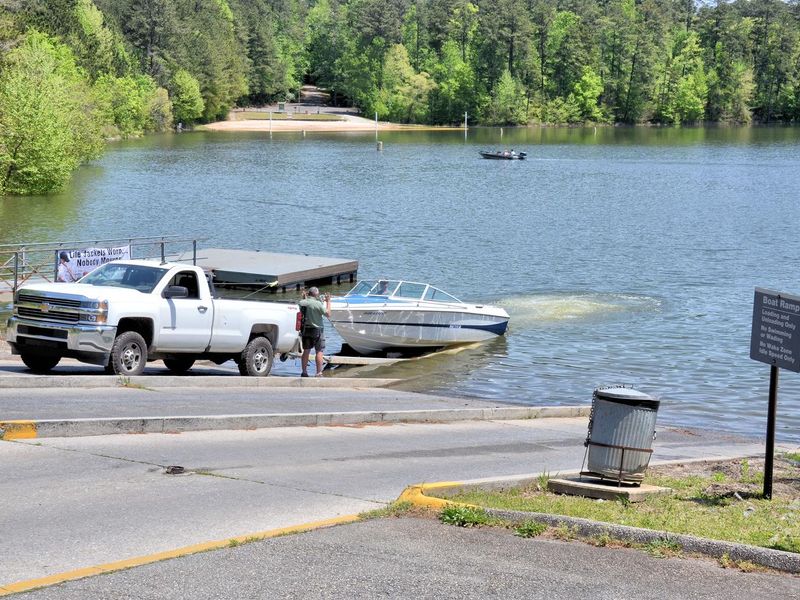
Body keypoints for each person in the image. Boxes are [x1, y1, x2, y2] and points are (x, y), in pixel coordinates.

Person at [298, 287, 331, 377]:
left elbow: (305, 306)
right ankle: (318, 373)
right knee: (319, 351)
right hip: (317, 330)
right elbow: (328, 314)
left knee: (306, 351)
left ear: (309, 293)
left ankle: (304, 372)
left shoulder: (302, 302)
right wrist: (328, 301)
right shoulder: (318, 304)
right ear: (316, 294)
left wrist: (304, 298)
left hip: (306, 329)